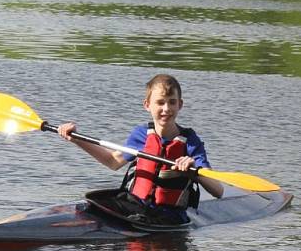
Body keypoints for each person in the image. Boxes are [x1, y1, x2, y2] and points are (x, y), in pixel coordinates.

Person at [57, 74, 224, 224]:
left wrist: (194, 171)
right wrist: (76, 139)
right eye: (160, 102)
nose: (166, 109)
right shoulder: (141, 135)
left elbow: (218, 190)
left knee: (141, 218)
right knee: (93, 203)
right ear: (147, 105)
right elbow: (112, 162)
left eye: (172, 102)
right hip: (135, 205)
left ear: (180, 104)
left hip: (170, 216)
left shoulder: (190, 142)